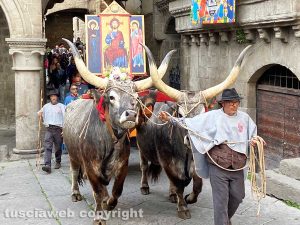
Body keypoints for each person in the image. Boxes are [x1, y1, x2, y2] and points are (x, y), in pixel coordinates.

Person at [159, 88, 263, 225]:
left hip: (237, 166)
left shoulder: (244, 118)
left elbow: (252, 136)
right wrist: (170, 119)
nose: (234, 105)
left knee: (238, 196)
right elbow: (189, 123)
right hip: (218, 165)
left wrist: (255, 141)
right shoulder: (212, 116)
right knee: (220, 201)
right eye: (231, 102)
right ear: (223, 103)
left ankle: (224, 220)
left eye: (236, 102)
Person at [38, 89, 66, 174]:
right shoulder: (46, 106)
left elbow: (65, 118)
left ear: (57, 97)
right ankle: (47, 165)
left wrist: (64, 129)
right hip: (49, 129)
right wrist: (39, 113)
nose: (53, 97)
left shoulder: (62, 106)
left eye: (55, 96)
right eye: (52, 96)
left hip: (58, 129)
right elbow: (39, 113)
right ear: (50, 98)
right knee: (48, 147)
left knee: (58, 148)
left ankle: (58, 161)